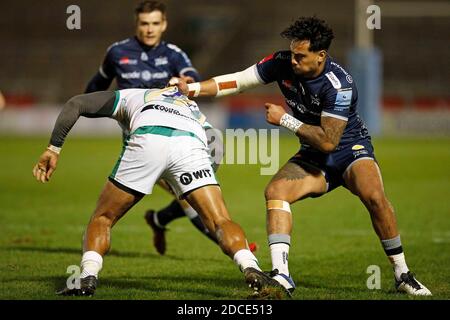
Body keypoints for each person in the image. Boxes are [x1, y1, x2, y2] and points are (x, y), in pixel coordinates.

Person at [172, 16, 432, 296]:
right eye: (293, 53)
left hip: (349, 148)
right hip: (313, 154)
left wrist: (285, 120)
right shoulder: (282, 63)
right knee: (275, 191)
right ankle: (282, 276)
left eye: (301, 56)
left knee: (374, 197)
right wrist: (193, 89)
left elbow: (330, 141)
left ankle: (402, 273)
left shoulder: (338, 85)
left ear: (320, 56)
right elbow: (237, 81)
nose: (293, 61)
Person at [32, 87, 279, 297]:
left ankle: (87, 277)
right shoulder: (191, 106)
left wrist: (53, 148)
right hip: (190, 145)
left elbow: (76, 103)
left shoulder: (132, 95)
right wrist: (199, 178)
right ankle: (250, 266)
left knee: (103, 218)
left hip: (149, 138)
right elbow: (216, 143)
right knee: (220, 220)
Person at [84, 1, 256, 255]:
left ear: (163, 24)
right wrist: (106, 106)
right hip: (140, 138)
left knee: (194, 185)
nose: (149, 29)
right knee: (190, 195)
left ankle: (161, 220)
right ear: (137, 24)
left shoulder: (174, 53)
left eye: (155, 23)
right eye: (144, 23)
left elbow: (192, 80)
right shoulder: (117, 52)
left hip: (176, 130)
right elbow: (94, 89)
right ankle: (240, 251)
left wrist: (185, 82)